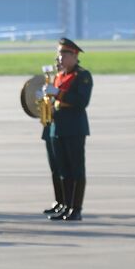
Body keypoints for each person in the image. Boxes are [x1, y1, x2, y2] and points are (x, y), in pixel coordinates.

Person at [43, 38, 93, 221]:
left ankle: (76, 208)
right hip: (58, 126)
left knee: (76, 169)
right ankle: (66, 205)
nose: (60, 57)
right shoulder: (59, 76)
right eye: (59, 53)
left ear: (74, 55)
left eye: (64, 54)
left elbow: (81, 101)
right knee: (63, 169)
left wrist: (58, 93)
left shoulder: (82, 76)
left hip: (74, 127)